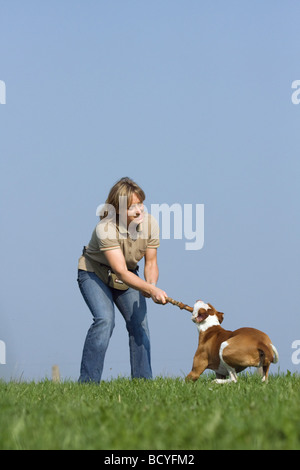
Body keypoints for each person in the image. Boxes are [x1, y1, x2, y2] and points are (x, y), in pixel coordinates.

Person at [77, 177, 168, 383]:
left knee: (139, 323)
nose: (138, 211)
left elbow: (151, 262)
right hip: (95, 273)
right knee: (105, 320)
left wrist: (151, 285)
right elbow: (120, 270)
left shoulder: (150, 223)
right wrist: (149, 289)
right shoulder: (105, 229)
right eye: (131, 207)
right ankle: (88, 384)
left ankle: (143, 383)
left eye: (140, 204)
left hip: (128, 274)